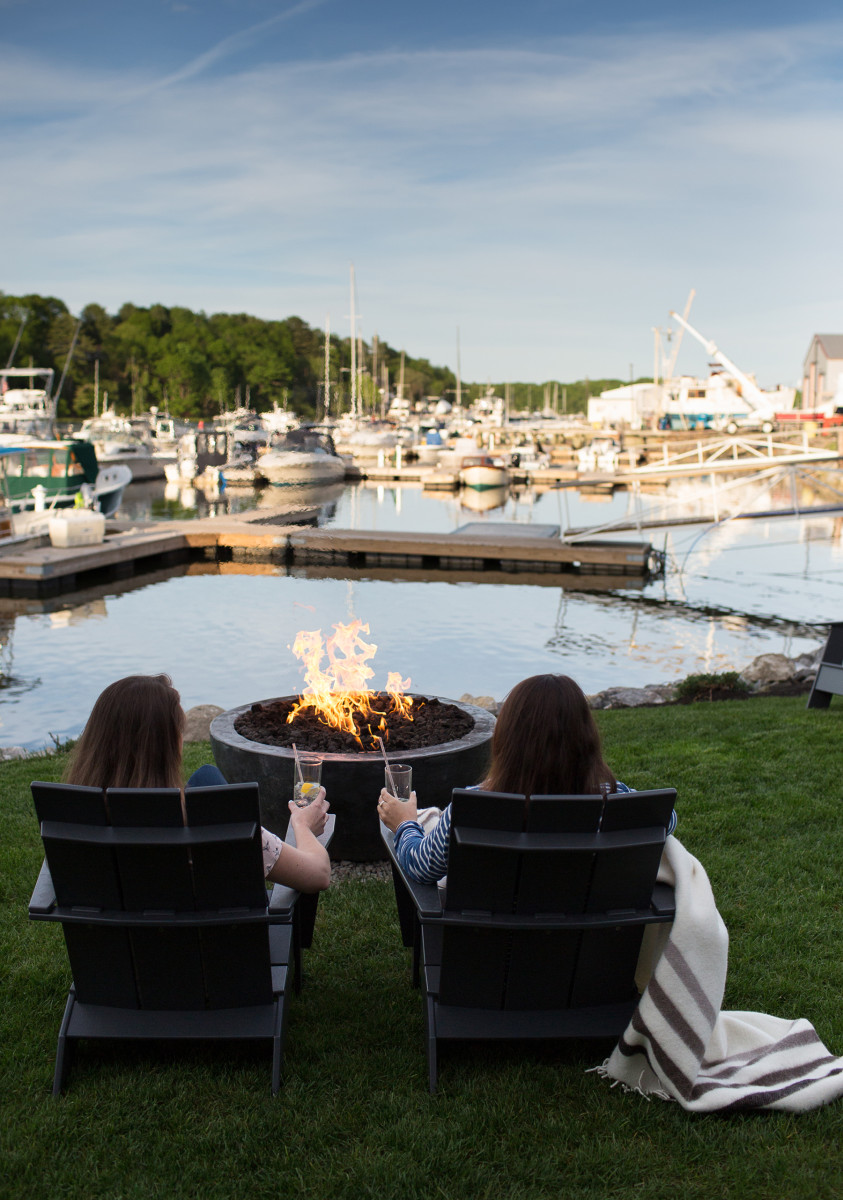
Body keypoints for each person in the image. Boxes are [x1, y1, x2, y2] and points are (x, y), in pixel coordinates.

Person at [377, 672, 676, 884]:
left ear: (509, 740)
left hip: (491, 950)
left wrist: (405, 824)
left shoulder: (473, 808)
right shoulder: (612, 802)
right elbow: (667, 818)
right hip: (587, 954)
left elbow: (420, 866)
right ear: (586, 741)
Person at [64, 674, 331, 892]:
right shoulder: (213, 820)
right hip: (217, 950)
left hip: (121, 953)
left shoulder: (76, 822)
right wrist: (302, 825)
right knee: (210, 784)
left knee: (206, 778)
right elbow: (318, 875)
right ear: (169, 747)